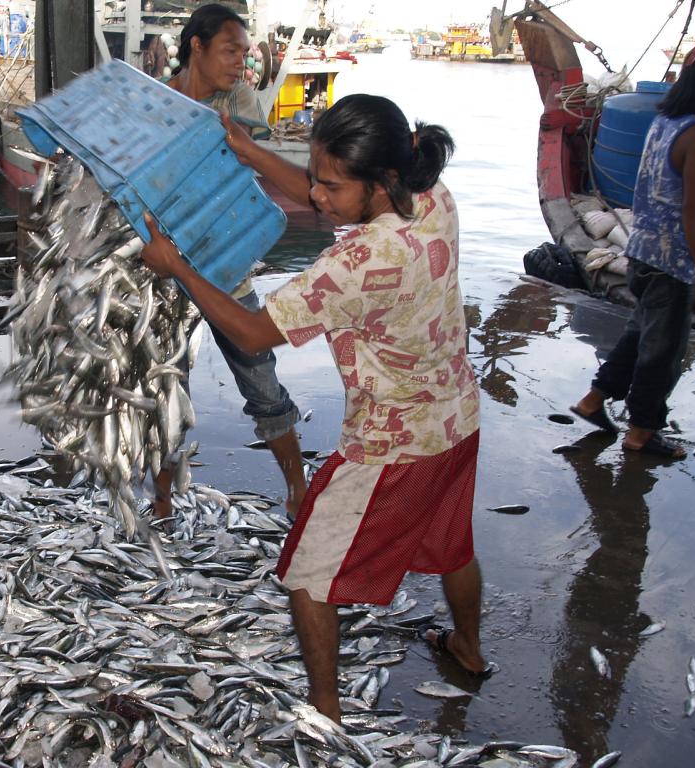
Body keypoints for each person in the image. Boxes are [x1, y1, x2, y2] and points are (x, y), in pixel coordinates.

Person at [140, 94, 488, 722]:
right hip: (457, 417)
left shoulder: (354, 264)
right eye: (317, 177)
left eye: (331, 185)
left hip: (392, 446)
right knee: (452, 541)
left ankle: (325, 715)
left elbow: (251, 333)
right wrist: (248, 151)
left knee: (306, 576)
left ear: (380, 181)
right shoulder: (432, 196)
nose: (317, 196)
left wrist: (179, 268)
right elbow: (325, 190)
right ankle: (468, 646)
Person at [154, 3, 306, 520]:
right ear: (196, 47)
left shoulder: (237, 98)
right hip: (166, 273)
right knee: (166, 388)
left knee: (262, 382)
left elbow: (239, 154)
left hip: (226, 263)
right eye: (230, 50)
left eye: (244, 52)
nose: (241, 62)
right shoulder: (154, 98)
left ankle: (298, 488)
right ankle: (161, 500)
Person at [570, 39, 695, 459]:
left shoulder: (666, 120)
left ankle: (593, 400)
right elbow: (693, 210)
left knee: (638, 335)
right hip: (672, 262)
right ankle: (642, 432)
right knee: (663, 354)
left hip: (641, 251)